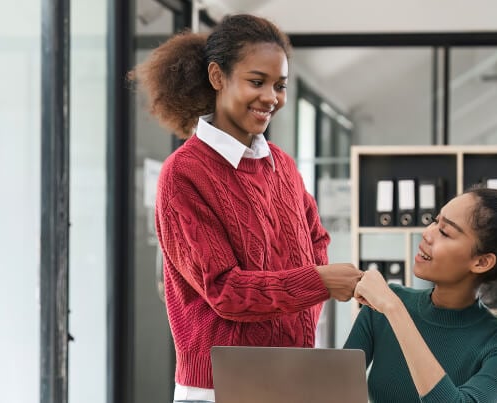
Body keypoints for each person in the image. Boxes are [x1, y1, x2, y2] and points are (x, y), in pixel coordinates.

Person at [130, 14, 363, 403]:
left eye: (280, 85)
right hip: (219, 387)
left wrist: (307, 291)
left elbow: (316, 238)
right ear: (218, 77)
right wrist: (316, 282)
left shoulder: (283, 166)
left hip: (294, 376)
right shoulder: (183, 174)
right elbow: (224, 289)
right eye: (257, 82)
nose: (271, 97)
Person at [346, 188, 497, 403]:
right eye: (434, 221)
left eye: (445, 232)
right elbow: (334, 390)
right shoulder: (380, 309)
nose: (427, 234)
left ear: (481, 262)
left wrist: (394, 310)